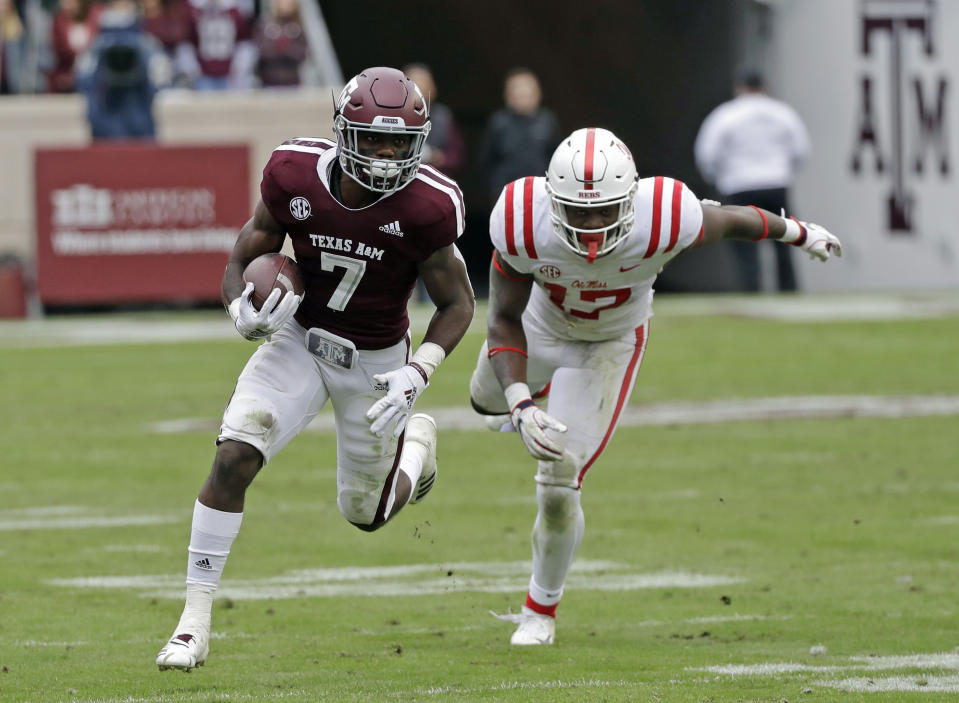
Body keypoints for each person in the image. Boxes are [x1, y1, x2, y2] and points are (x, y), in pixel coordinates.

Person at [156, 65, 475, 671]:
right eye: (373, 140)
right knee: (234, 455)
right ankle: (192, 625)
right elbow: (249, 249)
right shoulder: (293, 173)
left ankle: (418, 449)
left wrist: (420, 371)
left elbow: (459, 303)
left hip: (377, 358)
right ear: (341, 133)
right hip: (300, 338)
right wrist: (238, 310)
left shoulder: (430, 205)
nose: (386, 156)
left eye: (399, 144)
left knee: (366, 514)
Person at [469, 127, 840, 645]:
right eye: (578, 212)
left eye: (605, 211)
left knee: (558, 483)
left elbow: (733, 219)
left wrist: (798, 232)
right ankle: (540, 397)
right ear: (553, 202)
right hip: (540, 327)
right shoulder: (519, 219)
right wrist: (519, 405)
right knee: (484, 400)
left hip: (610, 343)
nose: (593, 226)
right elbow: (502, 318)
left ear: (631, 199)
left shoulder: (666, 213)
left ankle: (539, 612)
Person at [694, 69, 811, 292]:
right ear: (764, 86)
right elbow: (801, 150)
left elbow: (707, 153)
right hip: (776, 183)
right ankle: (788, 290)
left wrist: (717, 178)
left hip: (738, 185)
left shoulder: (725, 115)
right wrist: (783, 171)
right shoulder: (783, 113)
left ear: (738, 87)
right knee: (785, 238)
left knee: (744, 244)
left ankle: (751, 290)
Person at [75, 0, 171, 140]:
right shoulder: (146, 45)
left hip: (129, 120)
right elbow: (162, 80)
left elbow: (83, 80)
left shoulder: (96, 46)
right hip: (123, 120)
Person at [478, 66, 561, 206]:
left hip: (542, 195)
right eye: (517, 89)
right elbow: (485, 160)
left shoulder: (547, 121)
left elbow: (557, 158)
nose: (522, 93)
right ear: (507, 95)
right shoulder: (498, 122)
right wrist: (495, 186)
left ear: (538, 93)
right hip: (506, 195)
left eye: (527, 89)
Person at [403, 63, 464, 176]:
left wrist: (437, 158)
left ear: (433, 88)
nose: (420, 87)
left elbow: (456, 156)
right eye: (415, 82)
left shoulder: (444, 116)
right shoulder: (393, 116)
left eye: (424, 82)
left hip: (435, 178)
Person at [253, 0, 308, 88]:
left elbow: (303, 54)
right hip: (268, 81)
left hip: (292, 81)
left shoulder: (298, 27)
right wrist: (278, 47)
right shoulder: (266, 26)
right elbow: (261, 50)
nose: (285, 4)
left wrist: (287, 48)